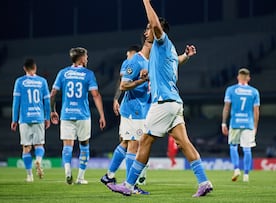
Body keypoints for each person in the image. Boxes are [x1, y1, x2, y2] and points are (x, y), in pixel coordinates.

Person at [107, 0, 213, 197]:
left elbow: (155, 24)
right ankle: (204, 181)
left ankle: (128, 186)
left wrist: (146, 2)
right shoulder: (169, 51)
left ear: (158, 30)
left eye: (148, 28)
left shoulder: (161, 41)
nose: (146, 31)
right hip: (175, 103)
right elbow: (175, 62)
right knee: (184, 143)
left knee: (144, 140)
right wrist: (187, 56)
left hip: (163, 103)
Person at [50, 47, 106, 185]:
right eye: (86, 56)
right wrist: (102, 115)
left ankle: (68, 171)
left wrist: (52, 110)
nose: (87, 59)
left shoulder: (63, 73)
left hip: (67, 114)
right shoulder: (88, 74)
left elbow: (52, 94)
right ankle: (80, 177)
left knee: (67, 146)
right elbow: (95, 95)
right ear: (81, 58)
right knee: (84, 145)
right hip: (83, 115)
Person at [100, 43, 152, 192]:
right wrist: (117, 98)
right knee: (134, 145)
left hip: (140, 109)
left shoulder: (149, 62)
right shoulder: (133, 61)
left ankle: (109, 175)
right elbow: (123, 84)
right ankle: (131, 184)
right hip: (133, 110)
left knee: (126, 143)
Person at [11, 58, 51, 182]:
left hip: (24, 118)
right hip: (38, 117)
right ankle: (38, 161)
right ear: (35, 67)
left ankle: (29, 176)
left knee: (26, 147)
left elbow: (16, 102)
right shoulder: (42, 81)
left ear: (24, 68)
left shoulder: (19, 82)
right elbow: (47, 101)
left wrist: (14, 119)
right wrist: (47, 117)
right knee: (39, 144)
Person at [221, 67, 260, 182]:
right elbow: (256, 111)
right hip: (248, 123)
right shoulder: (254, 91)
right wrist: (255, 126)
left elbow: (226, 107)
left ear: (238, 77)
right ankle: (246, 175)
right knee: (247, 149)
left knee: (233, 146)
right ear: (248, 78)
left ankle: (236, 168)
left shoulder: (231, 90)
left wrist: (223, 123)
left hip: (235, 122)